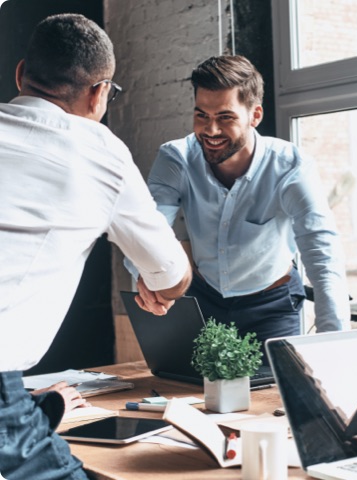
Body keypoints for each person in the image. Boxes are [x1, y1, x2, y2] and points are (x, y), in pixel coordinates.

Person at [0, 13, 191, 479]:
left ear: (21, 74)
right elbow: (173, 277)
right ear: (99, 92)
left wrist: (34, 405)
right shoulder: (99, 151)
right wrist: (157, 286)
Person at [144, 55, 351, 352]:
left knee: (276, 394)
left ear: (255, 116)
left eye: (225, 117)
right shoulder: (176, 158)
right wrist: (144, 274)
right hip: (204, 300)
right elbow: (148, 227)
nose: (211, 131)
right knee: (190, 393)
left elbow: (322, 251)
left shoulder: (291, 167)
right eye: (201, 115)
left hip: (272, 306)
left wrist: (335, 342)